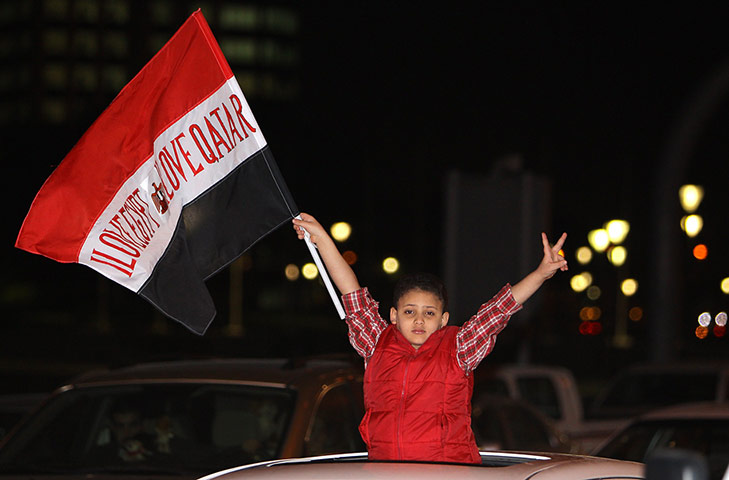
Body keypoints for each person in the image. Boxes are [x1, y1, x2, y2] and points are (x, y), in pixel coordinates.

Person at [292, 212, 568, 464]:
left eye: (429, 312)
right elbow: (350, 291)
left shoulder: (460, 348)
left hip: (448, 472)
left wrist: (541, 273)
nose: (419, 320)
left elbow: (498, 310)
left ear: (443, 319)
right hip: (383, 471)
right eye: (410, 311)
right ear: (394, 315)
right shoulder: (376, 343)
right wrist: (324, 241)